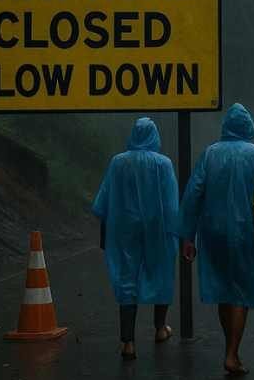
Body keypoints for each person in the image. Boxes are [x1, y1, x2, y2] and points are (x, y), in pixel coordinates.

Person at [179, 103, 254, 376]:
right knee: (240, 292)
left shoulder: (210, 154)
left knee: (223, 290)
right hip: (246, 233)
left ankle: (229, 348)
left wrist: (187, 236)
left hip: (212, 232)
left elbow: (193, 194)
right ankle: (232, 353)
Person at [92, 117, 180, 360]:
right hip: (157, 228)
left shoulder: (118, 162)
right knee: (161, 272)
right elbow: (172, 204)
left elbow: (103, 201)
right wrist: (179, 232)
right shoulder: (164, 164)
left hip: (124, 230)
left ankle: (128, 342)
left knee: (126, 279)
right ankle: (160, 328)